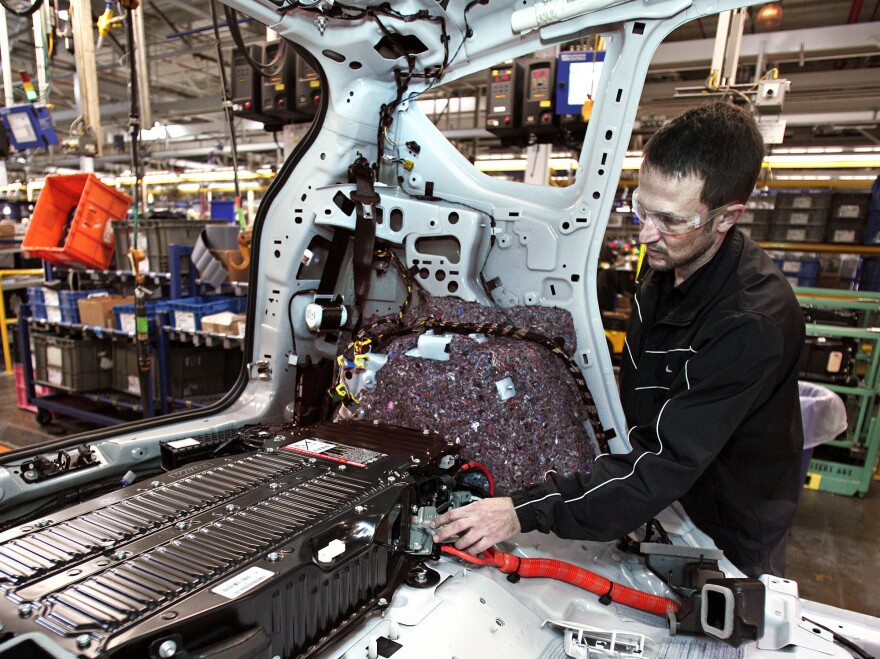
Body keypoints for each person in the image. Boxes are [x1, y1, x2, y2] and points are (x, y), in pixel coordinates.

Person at [431, 102, 806, 578]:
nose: (646, 234)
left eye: (669, 220)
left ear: (727, 217)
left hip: (724, 531)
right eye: (640, 208)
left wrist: (521, 510)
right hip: (658, 499)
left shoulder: (751, 322)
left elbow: (665, 462)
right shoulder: (667, 267)